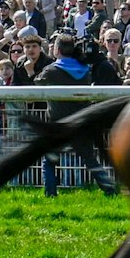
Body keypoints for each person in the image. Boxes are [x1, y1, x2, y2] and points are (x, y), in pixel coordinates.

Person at [36, 34, 116, 196]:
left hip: (58, 123)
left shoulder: (52, 70)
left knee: (50, 160)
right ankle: (109, 189)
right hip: (81, 120)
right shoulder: (85, 69)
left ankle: (50, 193)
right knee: (89, 158)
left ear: (57, 50)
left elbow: (37, 82)